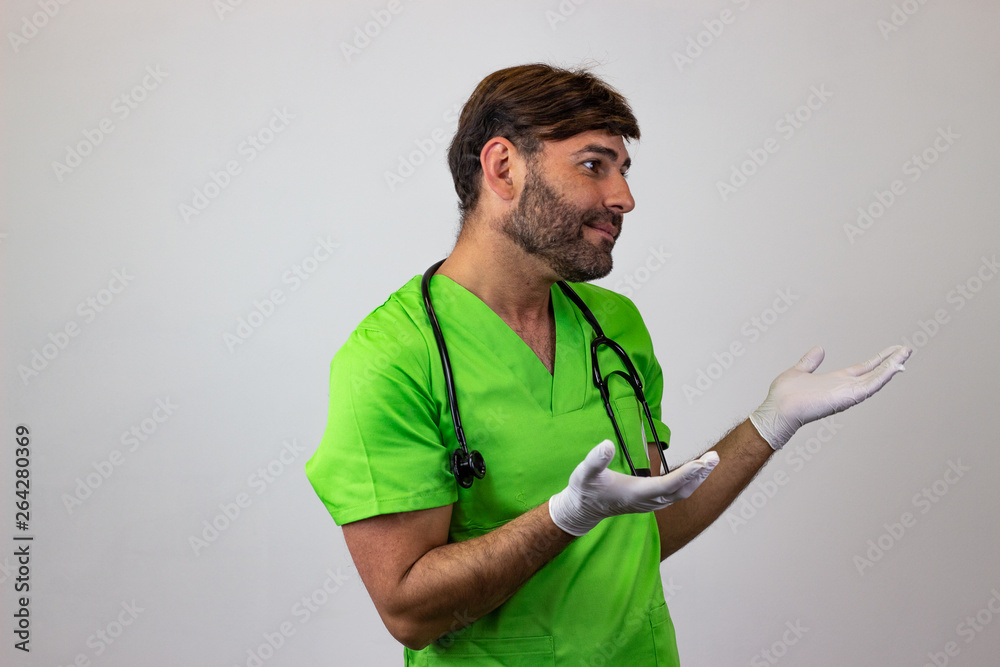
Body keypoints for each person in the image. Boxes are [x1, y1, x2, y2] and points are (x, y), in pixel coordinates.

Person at [305, 63, 911, 666]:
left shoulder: (614, 327)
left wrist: (771, 423)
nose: (623, 198)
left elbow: (647, 525)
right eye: (594, 165)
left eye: (623, 170)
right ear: (503, 168)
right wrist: (566, 517)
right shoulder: (392, 358)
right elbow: (409, 612)